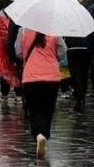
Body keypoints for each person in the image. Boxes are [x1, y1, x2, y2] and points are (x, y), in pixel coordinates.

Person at [20, 28, 67, 158]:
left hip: (31, 76)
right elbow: (63, 51)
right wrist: (53, 55)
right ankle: (44, 135)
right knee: (48, 109)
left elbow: (18, 51)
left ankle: (38, 135)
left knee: (34, 109)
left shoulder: (24, 31)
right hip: (51, 77)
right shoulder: (55, 32)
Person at [0, 11, 22, 103]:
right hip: (16, 47)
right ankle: (19, 94)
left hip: (3, 49)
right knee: (17, 70)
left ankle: (4, 94)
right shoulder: (19, 17)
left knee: (5, 70)